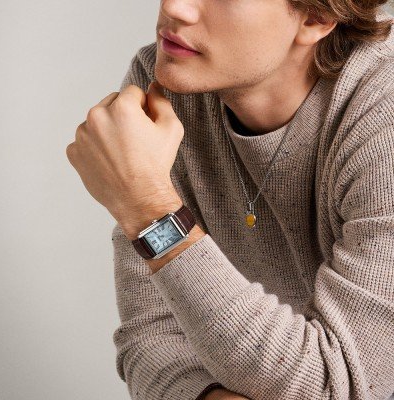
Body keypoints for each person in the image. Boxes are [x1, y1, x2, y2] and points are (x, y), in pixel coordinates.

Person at [66, 1, 394, 399]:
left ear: (317, 17)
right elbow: (152, 335)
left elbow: (343, 383)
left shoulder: (384, 112)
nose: (174, 7)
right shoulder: (169, 85)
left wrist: (149, 208)